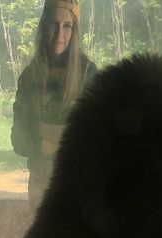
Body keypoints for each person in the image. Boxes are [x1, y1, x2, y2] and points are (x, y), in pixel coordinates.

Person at [11, 0, 97, 209]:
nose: (60, 35)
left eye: (67, 26)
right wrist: (65, 137)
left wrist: (44, 133)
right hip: (40, 185)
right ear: (43, 27)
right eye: (53, 24)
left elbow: (95, 138)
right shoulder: (29, 77)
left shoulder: (88, 73)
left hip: (78, 184)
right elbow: (19, 140)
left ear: (73, 30)